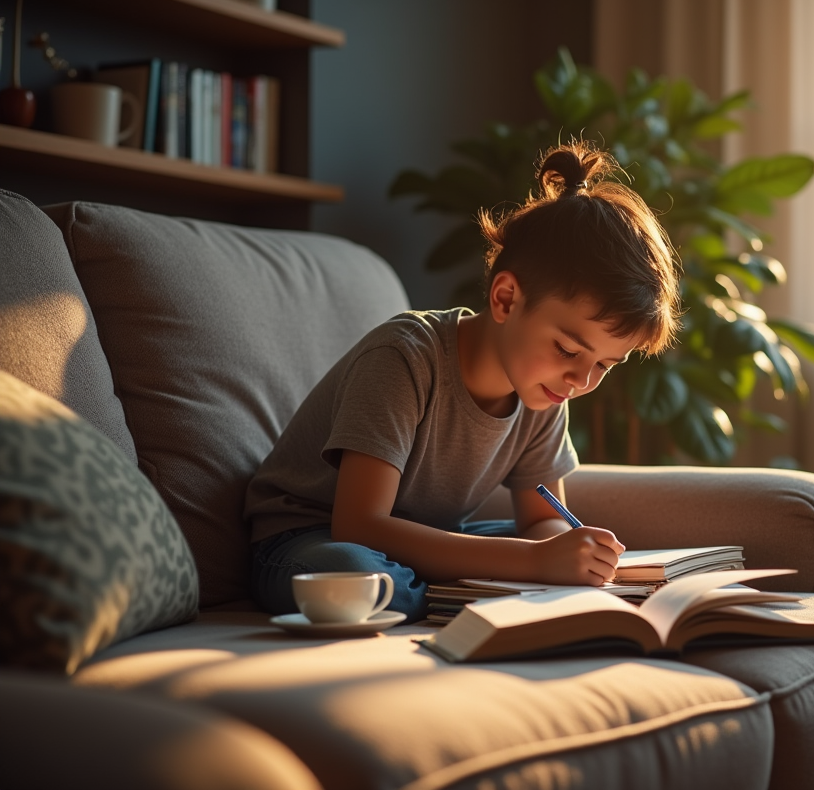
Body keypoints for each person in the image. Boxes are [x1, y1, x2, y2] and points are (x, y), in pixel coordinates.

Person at [244, 142, 683, 619]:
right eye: (569, 350)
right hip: (310, 538)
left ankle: (449, 593)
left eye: (605, 365)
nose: (581, 379)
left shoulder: (549, 388)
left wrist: (567, 553)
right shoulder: (404, 358)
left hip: (415, 537)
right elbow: (359, 525)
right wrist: (535, 562)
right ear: (506, 298)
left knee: (514, 549)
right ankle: (460, 594)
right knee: (357, 572)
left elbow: (541, 521)